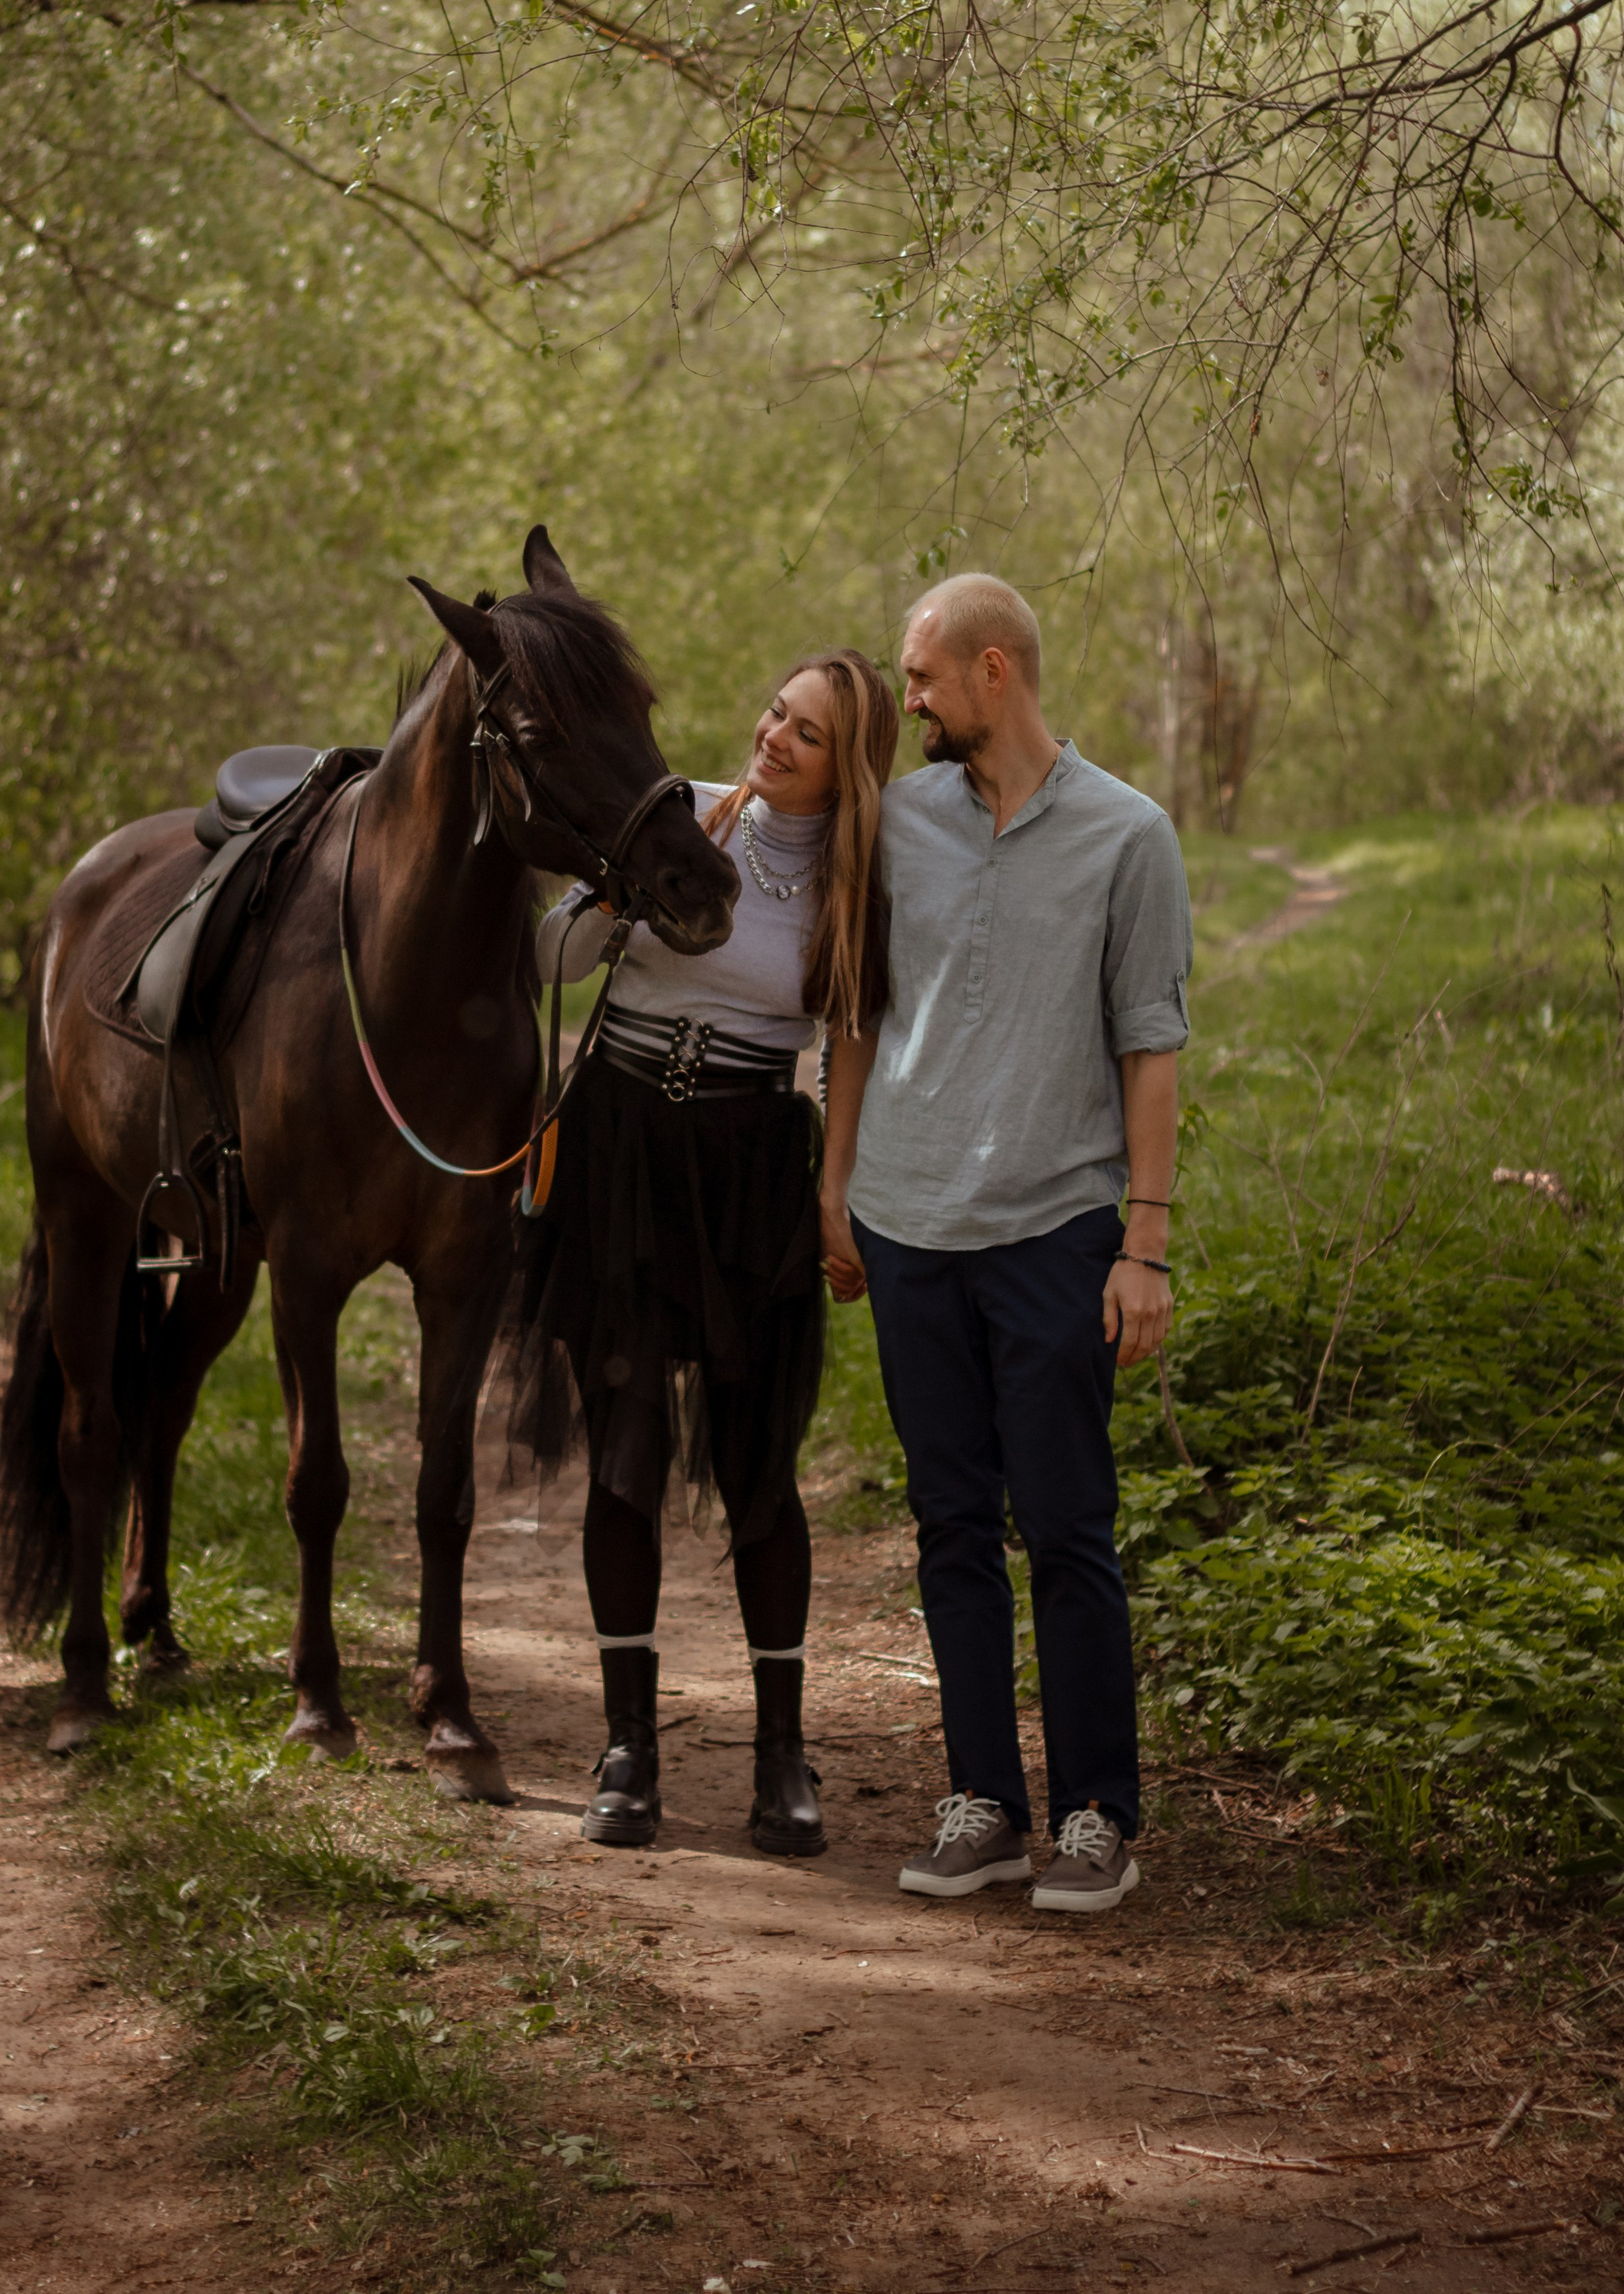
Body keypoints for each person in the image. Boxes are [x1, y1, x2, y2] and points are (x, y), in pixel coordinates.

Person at [819, 574, 1191, 1913]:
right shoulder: (897, 823)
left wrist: (1141, 1249)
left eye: (918, 679)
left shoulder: (1128, 836)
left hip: (1053, 1227)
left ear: (993, 671)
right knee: (950, 1524)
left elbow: (1150, 1049)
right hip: (910, 1224)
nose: (904, 702)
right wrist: (836, 1181)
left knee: (1069, 1524)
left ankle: (1099, 1814)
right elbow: (855, 1012)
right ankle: (982, 1799)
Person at [509, 647, 898, 1856]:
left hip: (751, 1170)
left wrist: (837, 1195)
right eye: (776, 710)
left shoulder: (852, 887)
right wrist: (615, 898)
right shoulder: (670, 818)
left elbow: (848, 1043)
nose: (775, 736)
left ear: (851, 769)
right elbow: (549, 963)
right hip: (623, 1150)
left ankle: (783, 1757)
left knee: (758, 1469)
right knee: (625, 1455)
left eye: (811, 733)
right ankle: (630, 1748)